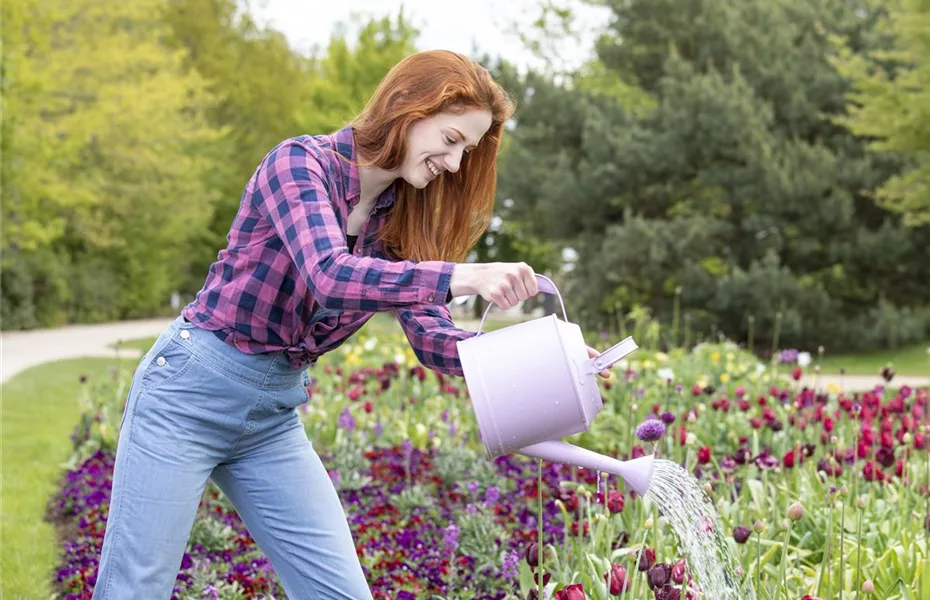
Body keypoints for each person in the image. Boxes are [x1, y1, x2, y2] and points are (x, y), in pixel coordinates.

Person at [91, 49, 605, 600]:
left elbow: (435, 342)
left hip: (270, 418)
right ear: (408, 107)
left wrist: (550, 360)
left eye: (468, 151)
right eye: (452, 140)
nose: (455, 165)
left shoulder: (400, 218)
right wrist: (463, 276)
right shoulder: (298, 165)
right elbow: (329, 276)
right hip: (188, 394)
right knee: (136, 589)